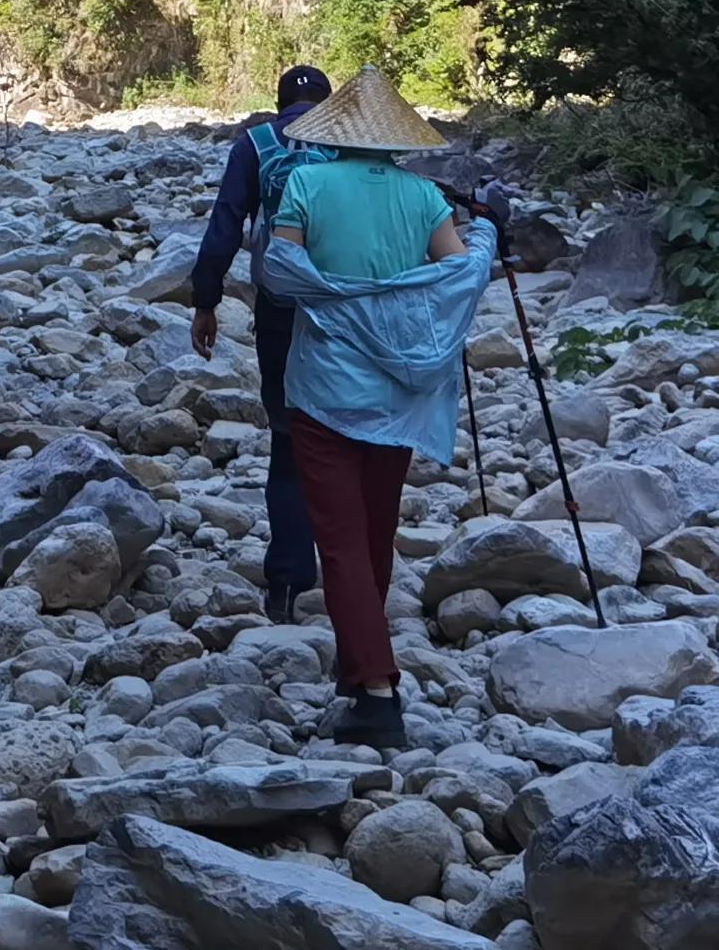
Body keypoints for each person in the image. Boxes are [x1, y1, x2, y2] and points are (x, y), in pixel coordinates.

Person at [256, 65, 496, 749]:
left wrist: (338, 293)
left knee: (338, 541)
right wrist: (483, 233)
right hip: (398, 396)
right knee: (374, 532)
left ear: (334, 134)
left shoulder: (306, 182)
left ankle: (378, 691)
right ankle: (356, 672)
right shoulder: (424, 199)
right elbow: (452, 278)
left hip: (325, 389)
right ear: (398, 140)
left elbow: (282, 273)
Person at [185, 61, 333, 623]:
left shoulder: (257, 143)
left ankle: (287, 580)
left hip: (278, 309)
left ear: (278, 104)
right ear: (330, 104)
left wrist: (206, 300)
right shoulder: (349, 145)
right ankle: (355, 577)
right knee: (349, 436)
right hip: (346, 313)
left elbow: (227, 222)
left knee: (289, 437)